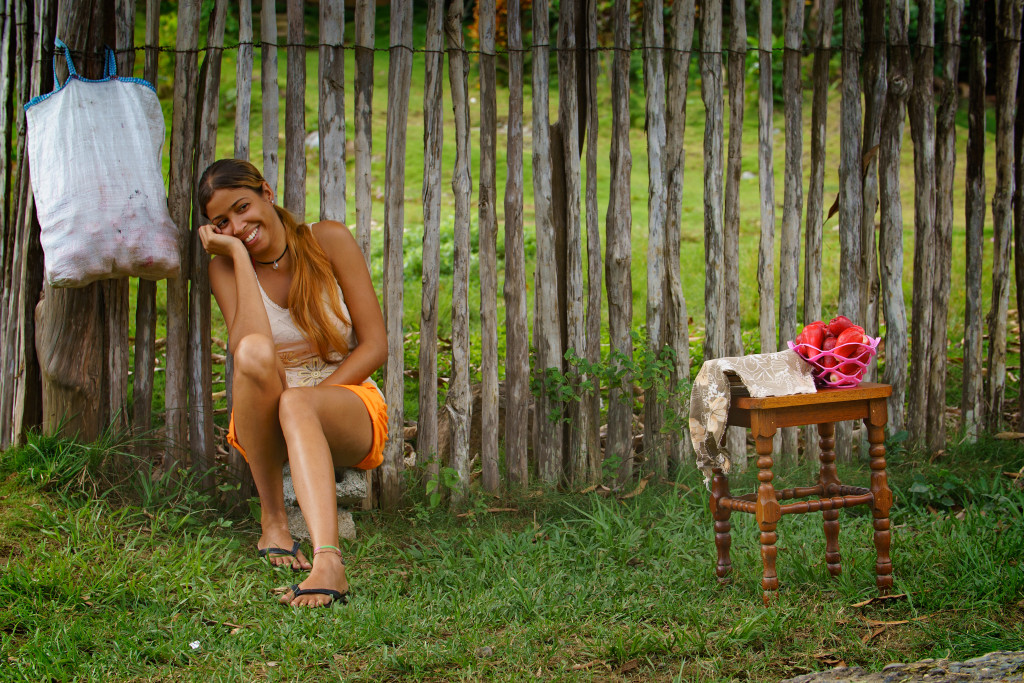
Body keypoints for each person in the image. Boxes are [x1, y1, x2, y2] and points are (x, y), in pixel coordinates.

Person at [197, 159, 387, 608]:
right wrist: (240, 258)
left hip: (345, 400)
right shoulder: (225, 268)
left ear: (266, 191)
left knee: (297, 405)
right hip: (268, 407)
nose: (238, 226)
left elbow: (374, 345)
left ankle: (328, 563)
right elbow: (250, 349)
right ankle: (274, 521)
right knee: (255, 356)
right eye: (222, 222)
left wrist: (309, 399)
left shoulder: (329, 240)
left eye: (242, 208)